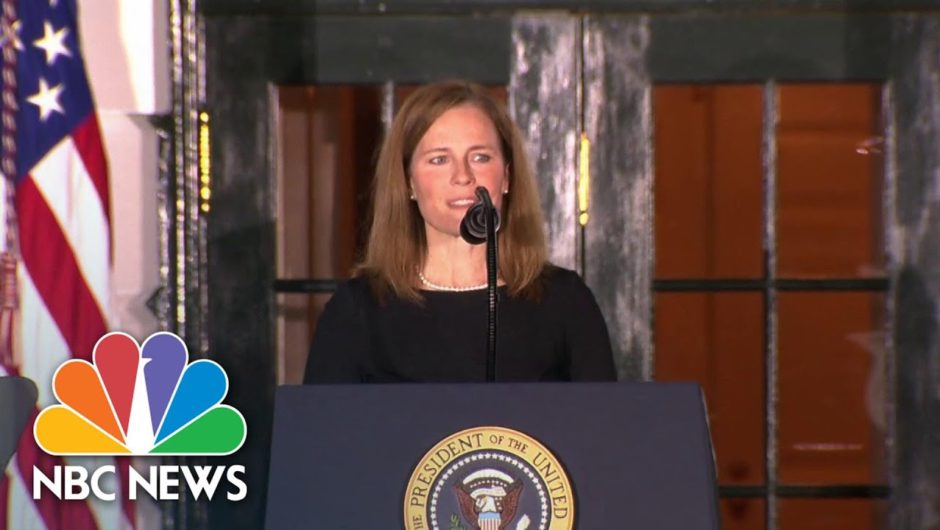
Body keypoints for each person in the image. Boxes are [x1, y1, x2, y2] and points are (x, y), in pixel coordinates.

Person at [303, 80, 615, 383]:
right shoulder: (357, 310)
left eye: (480, 157)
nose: (463, 176)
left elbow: (603, 416)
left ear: (506, 177)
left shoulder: (565, 301)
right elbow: (324, 419)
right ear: (408, 182)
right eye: (439, 160)